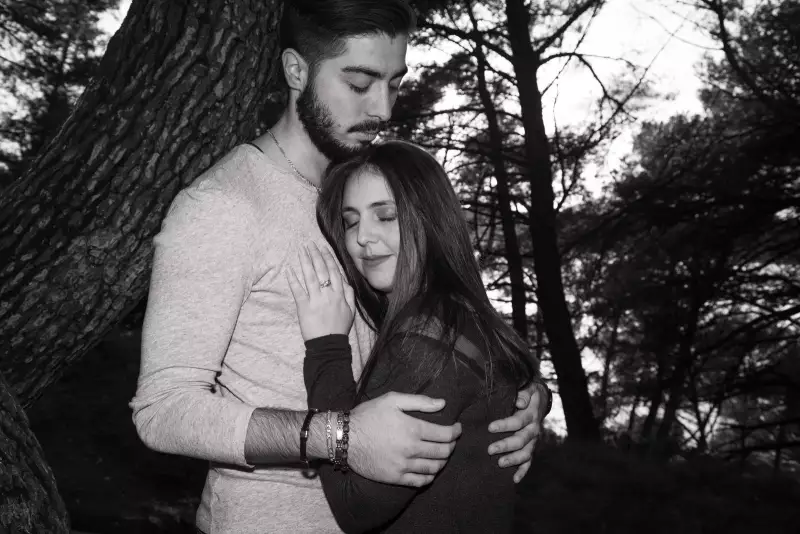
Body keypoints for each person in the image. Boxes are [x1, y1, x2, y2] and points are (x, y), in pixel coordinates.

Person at [130, 1, 551, 533]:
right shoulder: (223, 206)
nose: (383, 109)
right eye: (359, 83)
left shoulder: (366, 194)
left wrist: (520, 396)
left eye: (394, 84)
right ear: (295, 71)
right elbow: (164, 411)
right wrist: (338, 436)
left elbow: (436, 331)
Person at [287, 140, 545, 533]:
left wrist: (327, 350)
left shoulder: (427, 339)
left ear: (430, 219)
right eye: (351, 220)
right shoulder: (460, 314)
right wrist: (538, 396)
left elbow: (356, 507)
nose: (361, 237)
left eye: (385, 216)